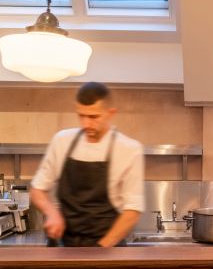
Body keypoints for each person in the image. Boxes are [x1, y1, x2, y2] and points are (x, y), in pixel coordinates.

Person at [32, 82, 145, 247]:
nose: (86, 124)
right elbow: (37, 190)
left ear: (110, 113)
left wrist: (100, 250)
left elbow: (132, 211)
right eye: (81, 116)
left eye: (93, 117)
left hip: (107, 248)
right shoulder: (62, 141)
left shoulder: (129, 149)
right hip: (64, 246)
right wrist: (52, 213)